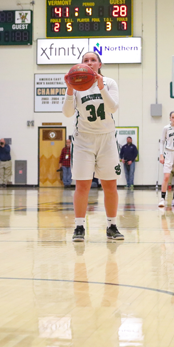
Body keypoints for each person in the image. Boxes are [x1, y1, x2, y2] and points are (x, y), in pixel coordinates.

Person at [63, 51, 123, 242]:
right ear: (81, 65)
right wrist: (70, 89)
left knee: (110, 185)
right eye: (85, 60)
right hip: (83, 140)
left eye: (93, 60)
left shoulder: (110, 82)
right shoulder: (76, 85)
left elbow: (113, 107)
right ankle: (79, 226)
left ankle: (112, 225)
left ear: (99, 64)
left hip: (106, 139)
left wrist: (101, 87)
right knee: (82, 185)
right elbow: (66, 113)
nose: (89, 62)